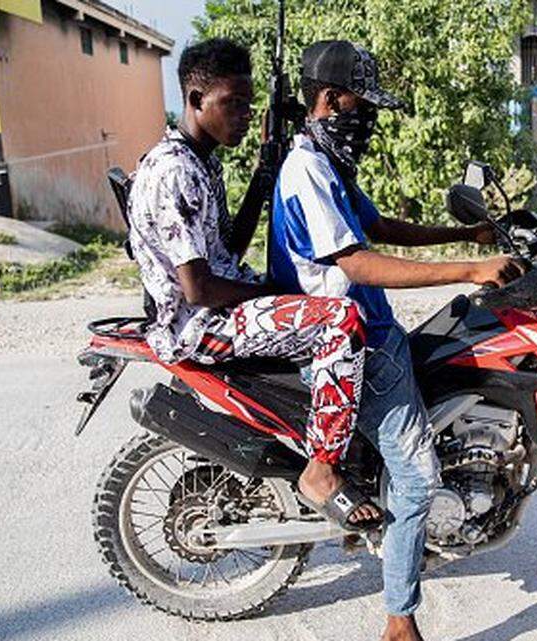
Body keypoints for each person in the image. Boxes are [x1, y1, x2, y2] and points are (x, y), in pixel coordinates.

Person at [269, 40, 524, 641]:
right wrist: (468, 268)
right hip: (351, 342)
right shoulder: (306, 168)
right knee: (417, 479)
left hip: (370, 329)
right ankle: (399, 623)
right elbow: (356, 262)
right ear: (331, 100)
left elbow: (380, 226)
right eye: (364, 107)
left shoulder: (326, 162)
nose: (371, 121)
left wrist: (473, 235)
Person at [126, 38, 381, 530]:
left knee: (317, 298)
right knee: (341, 320)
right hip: (200, 324)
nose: (243, 115)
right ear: (196, 100)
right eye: (232, 103)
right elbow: (199, 288)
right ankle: (321, 472)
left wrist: (262, 180)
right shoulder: (175, 170)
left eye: (248, 103)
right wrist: (272, 295)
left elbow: (226, 250)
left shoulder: (199, 158)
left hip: (214, 306)